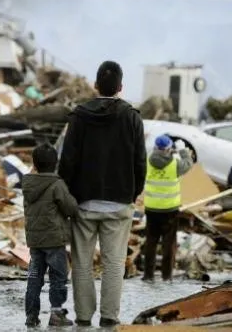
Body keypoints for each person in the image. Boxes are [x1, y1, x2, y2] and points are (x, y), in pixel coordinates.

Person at [58, 60, 147, 328]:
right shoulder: (132, 117)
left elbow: (68, 161)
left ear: (96, 85)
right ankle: (109, 316)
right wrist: (133, 192)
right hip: (119, 203)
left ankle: (83, 316)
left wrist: (68, 195)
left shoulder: (79, 117)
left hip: (84, 203)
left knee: (82, 263)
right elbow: (139, 161)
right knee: (114, 263)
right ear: (120, 87)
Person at [23, 143, 78, 328]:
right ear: (55, 163)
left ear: (35, 163)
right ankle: (56, 313)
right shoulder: (57, 184)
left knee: (34, 277)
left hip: (35, 241)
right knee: (58, 277)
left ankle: (31, 315)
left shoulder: (28, 184)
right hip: (54, 240)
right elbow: (70, 208)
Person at [141, 135, 192, 282]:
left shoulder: (148, 161)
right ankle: (166, 275)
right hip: (170, 210)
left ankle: (148, 275)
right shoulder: (175, 163)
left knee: (151, 242)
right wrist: (183, 151)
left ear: (156, 148)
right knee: (168, 245)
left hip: (152, 209)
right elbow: (188, 164)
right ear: (169, 148)